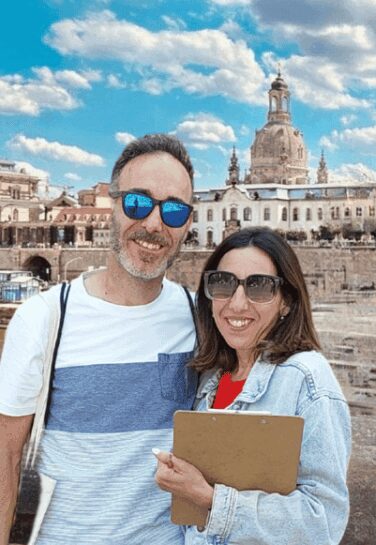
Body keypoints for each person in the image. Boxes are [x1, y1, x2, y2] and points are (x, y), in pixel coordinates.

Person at [0, 134, 198, 544]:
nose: (155, 224)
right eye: (138, 203)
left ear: (189, 224)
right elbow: (6, 458)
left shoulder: (202, 320)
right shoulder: (43, 317)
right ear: (112, 205)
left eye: (175, 211)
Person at [153, 227, 351, 545]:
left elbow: (324, 523)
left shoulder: (306, 379)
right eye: (223, 284)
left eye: (259, 287)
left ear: (286, 301)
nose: (238, 303)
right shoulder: (211, 377)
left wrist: (210, 499)